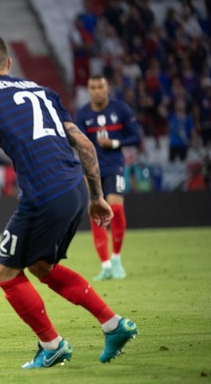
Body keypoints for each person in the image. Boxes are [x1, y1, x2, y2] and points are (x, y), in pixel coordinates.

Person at [0, 32, 137, 369]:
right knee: (41, 267)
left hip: (43, 195)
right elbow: (84, 144)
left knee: (4, 271)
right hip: (75, 189)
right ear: (8, 63)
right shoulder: (43, 91)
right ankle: (113, 325)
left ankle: (52, 345)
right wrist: (95, 196)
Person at [74, 75, 141, 281]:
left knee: (116, 209)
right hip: (92, 171)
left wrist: (113, 143)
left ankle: (117, 258)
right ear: (89, 89)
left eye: (100, 87)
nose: (96, 91)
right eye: (92, 87)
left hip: (114, 166)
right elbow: (79, 144)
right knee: (96, 214)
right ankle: (105, 265)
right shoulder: (83, 114)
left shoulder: (120, 110)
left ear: (107, 88)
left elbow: (136, 136)